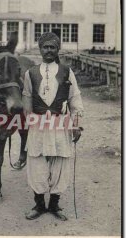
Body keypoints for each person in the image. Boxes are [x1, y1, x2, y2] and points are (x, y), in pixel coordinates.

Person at [22, 32, 84, 221]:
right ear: (40, 49)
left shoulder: (66, 71)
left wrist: (76, 125)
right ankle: (39, 205)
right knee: (36, 162)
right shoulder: (30, 73)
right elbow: (27, 98)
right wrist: (29, 120)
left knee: (60, 162)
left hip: (60, 124)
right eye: (45, 47)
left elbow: (75, 98)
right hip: (39, 124)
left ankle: (54, 205)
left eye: (52, 47)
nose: (48, 50)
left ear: (58, 49)